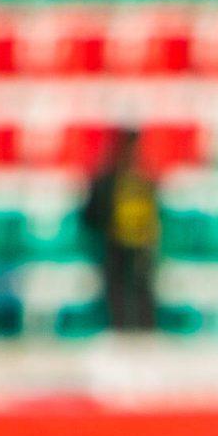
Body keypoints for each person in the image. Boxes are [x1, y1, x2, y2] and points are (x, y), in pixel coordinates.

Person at [80, 128, 159, 333]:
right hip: (113, 245)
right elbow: (90, 215)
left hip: (141, 244)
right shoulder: (106, 181)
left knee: (141, 290)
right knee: (116, 292)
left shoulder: (145, 180)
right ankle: (118, 330)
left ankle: (143, 332)